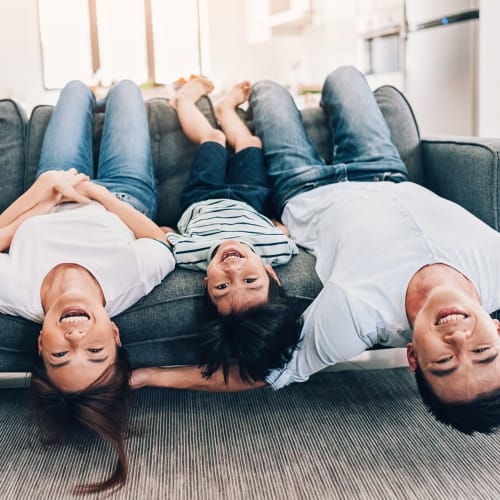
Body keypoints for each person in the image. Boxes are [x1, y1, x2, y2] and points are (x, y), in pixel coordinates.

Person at [131, 66, 500, 435]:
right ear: (496, 330)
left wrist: (153, 376)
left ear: (413, 357)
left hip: (304, 185)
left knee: (269, 89)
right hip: (382, 169)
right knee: (346, 77)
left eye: (444, 361)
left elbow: (265, 372)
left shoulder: (356, 315)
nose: (458, 340)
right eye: (483, 352)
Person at [0, 80, 175, 493]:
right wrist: (100, 194)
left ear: (41, 344)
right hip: (122, 194)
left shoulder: (17, 293)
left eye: (62, 354)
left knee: (76, 90)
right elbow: (161, 243)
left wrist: (37, 197)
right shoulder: (127, 284)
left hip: (56, 183)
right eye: (95, 351)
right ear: (114, 334)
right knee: (127, 91)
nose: (76, 337)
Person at [164, 77, 301, 382]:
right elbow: (286, 233)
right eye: (250, 280)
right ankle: (226, 108)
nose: (233, 269)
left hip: (203, 197)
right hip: (250, 198)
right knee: (250, 144)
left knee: (213, 138)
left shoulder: (189, 254)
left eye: (222, 287)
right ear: (270, 272)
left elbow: (162, 235)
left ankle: (183, 101)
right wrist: (281, 228)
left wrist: (163, 231)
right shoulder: (278, 250)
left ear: (205, 285)